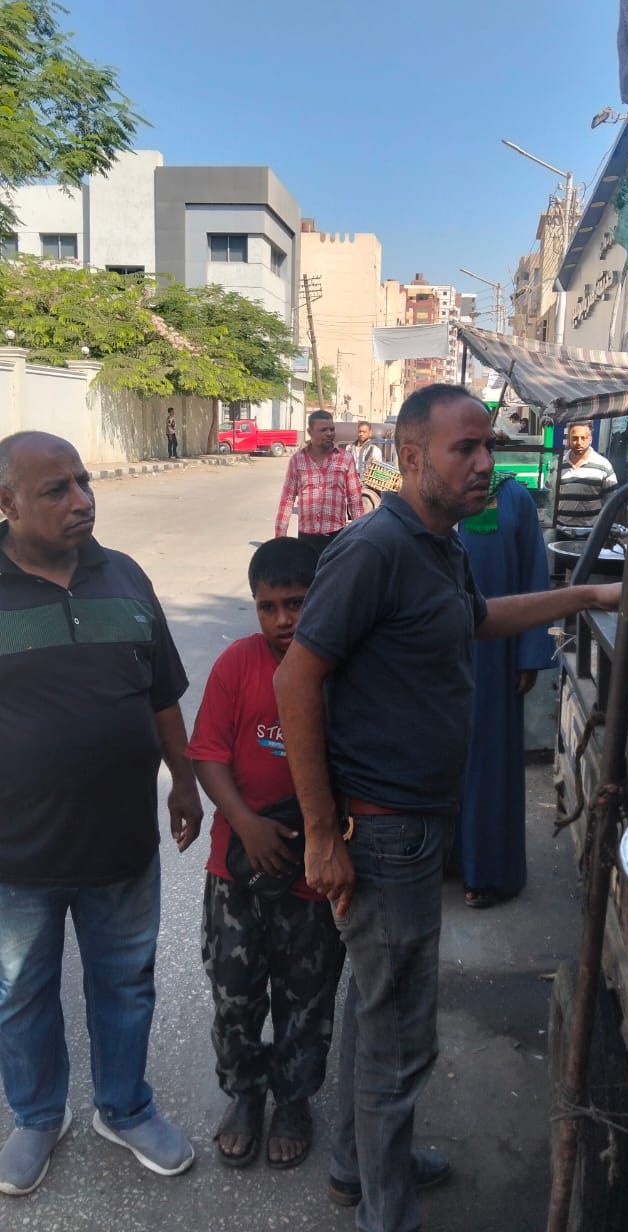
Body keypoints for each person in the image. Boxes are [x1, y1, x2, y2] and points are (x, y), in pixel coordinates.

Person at [273, 384, 622, 1232]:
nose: (485, 463)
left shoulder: (440, 545)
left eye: (488, 446)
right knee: (399, 1042)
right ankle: (384, 1214)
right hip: (381, 827)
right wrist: (320, 834)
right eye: (464, 448)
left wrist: (583, 597)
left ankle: (361, 1166)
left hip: (418, 820)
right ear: (409, 456)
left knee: (377, 1007)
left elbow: (477, 619)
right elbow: (295, 679)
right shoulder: (375, 548)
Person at [0, 431, 203, 1197]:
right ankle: (36, 1116)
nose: (82, 500)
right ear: (7, 502)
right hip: (15, 855)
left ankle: (124, 1107)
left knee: (125, 985)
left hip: (123, 843)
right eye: (56, 489)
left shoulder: (124, 575)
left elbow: (162, 692)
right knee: (21, 993)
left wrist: (183, 782)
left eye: (84, 482)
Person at [186, 538, 344, 1173]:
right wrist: (245, 824)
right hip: (238, 868)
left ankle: (294, 1100)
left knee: (307, 995)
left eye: (297, 603)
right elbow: (207, 754)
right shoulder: (237, 664)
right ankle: (245, 1095)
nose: (282, 619)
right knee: (235, 993)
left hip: (313, 869)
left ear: (320, 599)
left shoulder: (341, 668)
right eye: (267, 607)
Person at [453, 475, 555, 908]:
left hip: (495, 657)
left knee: (489, 759)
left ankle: (489, 871)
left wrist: (530, 653)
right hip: (435, 651)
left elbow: (534, 573)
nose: (477, 458)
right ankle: (442, 859)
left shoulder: (513, 497)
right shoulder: (427, 489)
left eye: (486, 445)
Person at [275, 409, 363, 556]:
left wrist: (360, 537)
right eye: (323, 430)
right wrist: (280, 539)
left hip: (336, 537)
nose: (329, 433)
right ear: (310, 432)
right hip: (306, 539)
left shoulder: (345, 458)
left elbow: (355, 500)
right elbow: (287, 500)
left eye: (332, 429)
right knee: (307, 571)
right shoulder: (297, 460)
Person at [556, 420, 617, 532]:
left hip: (591, 533)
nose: (579, 442)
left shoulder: (603, 465)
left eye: (583, 438)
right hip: (560, 530)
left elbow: (612, 501)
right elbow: (550, 498)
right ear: (569, 439)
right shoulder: (557, 464)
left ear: (590, 439)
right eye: (575, 438)